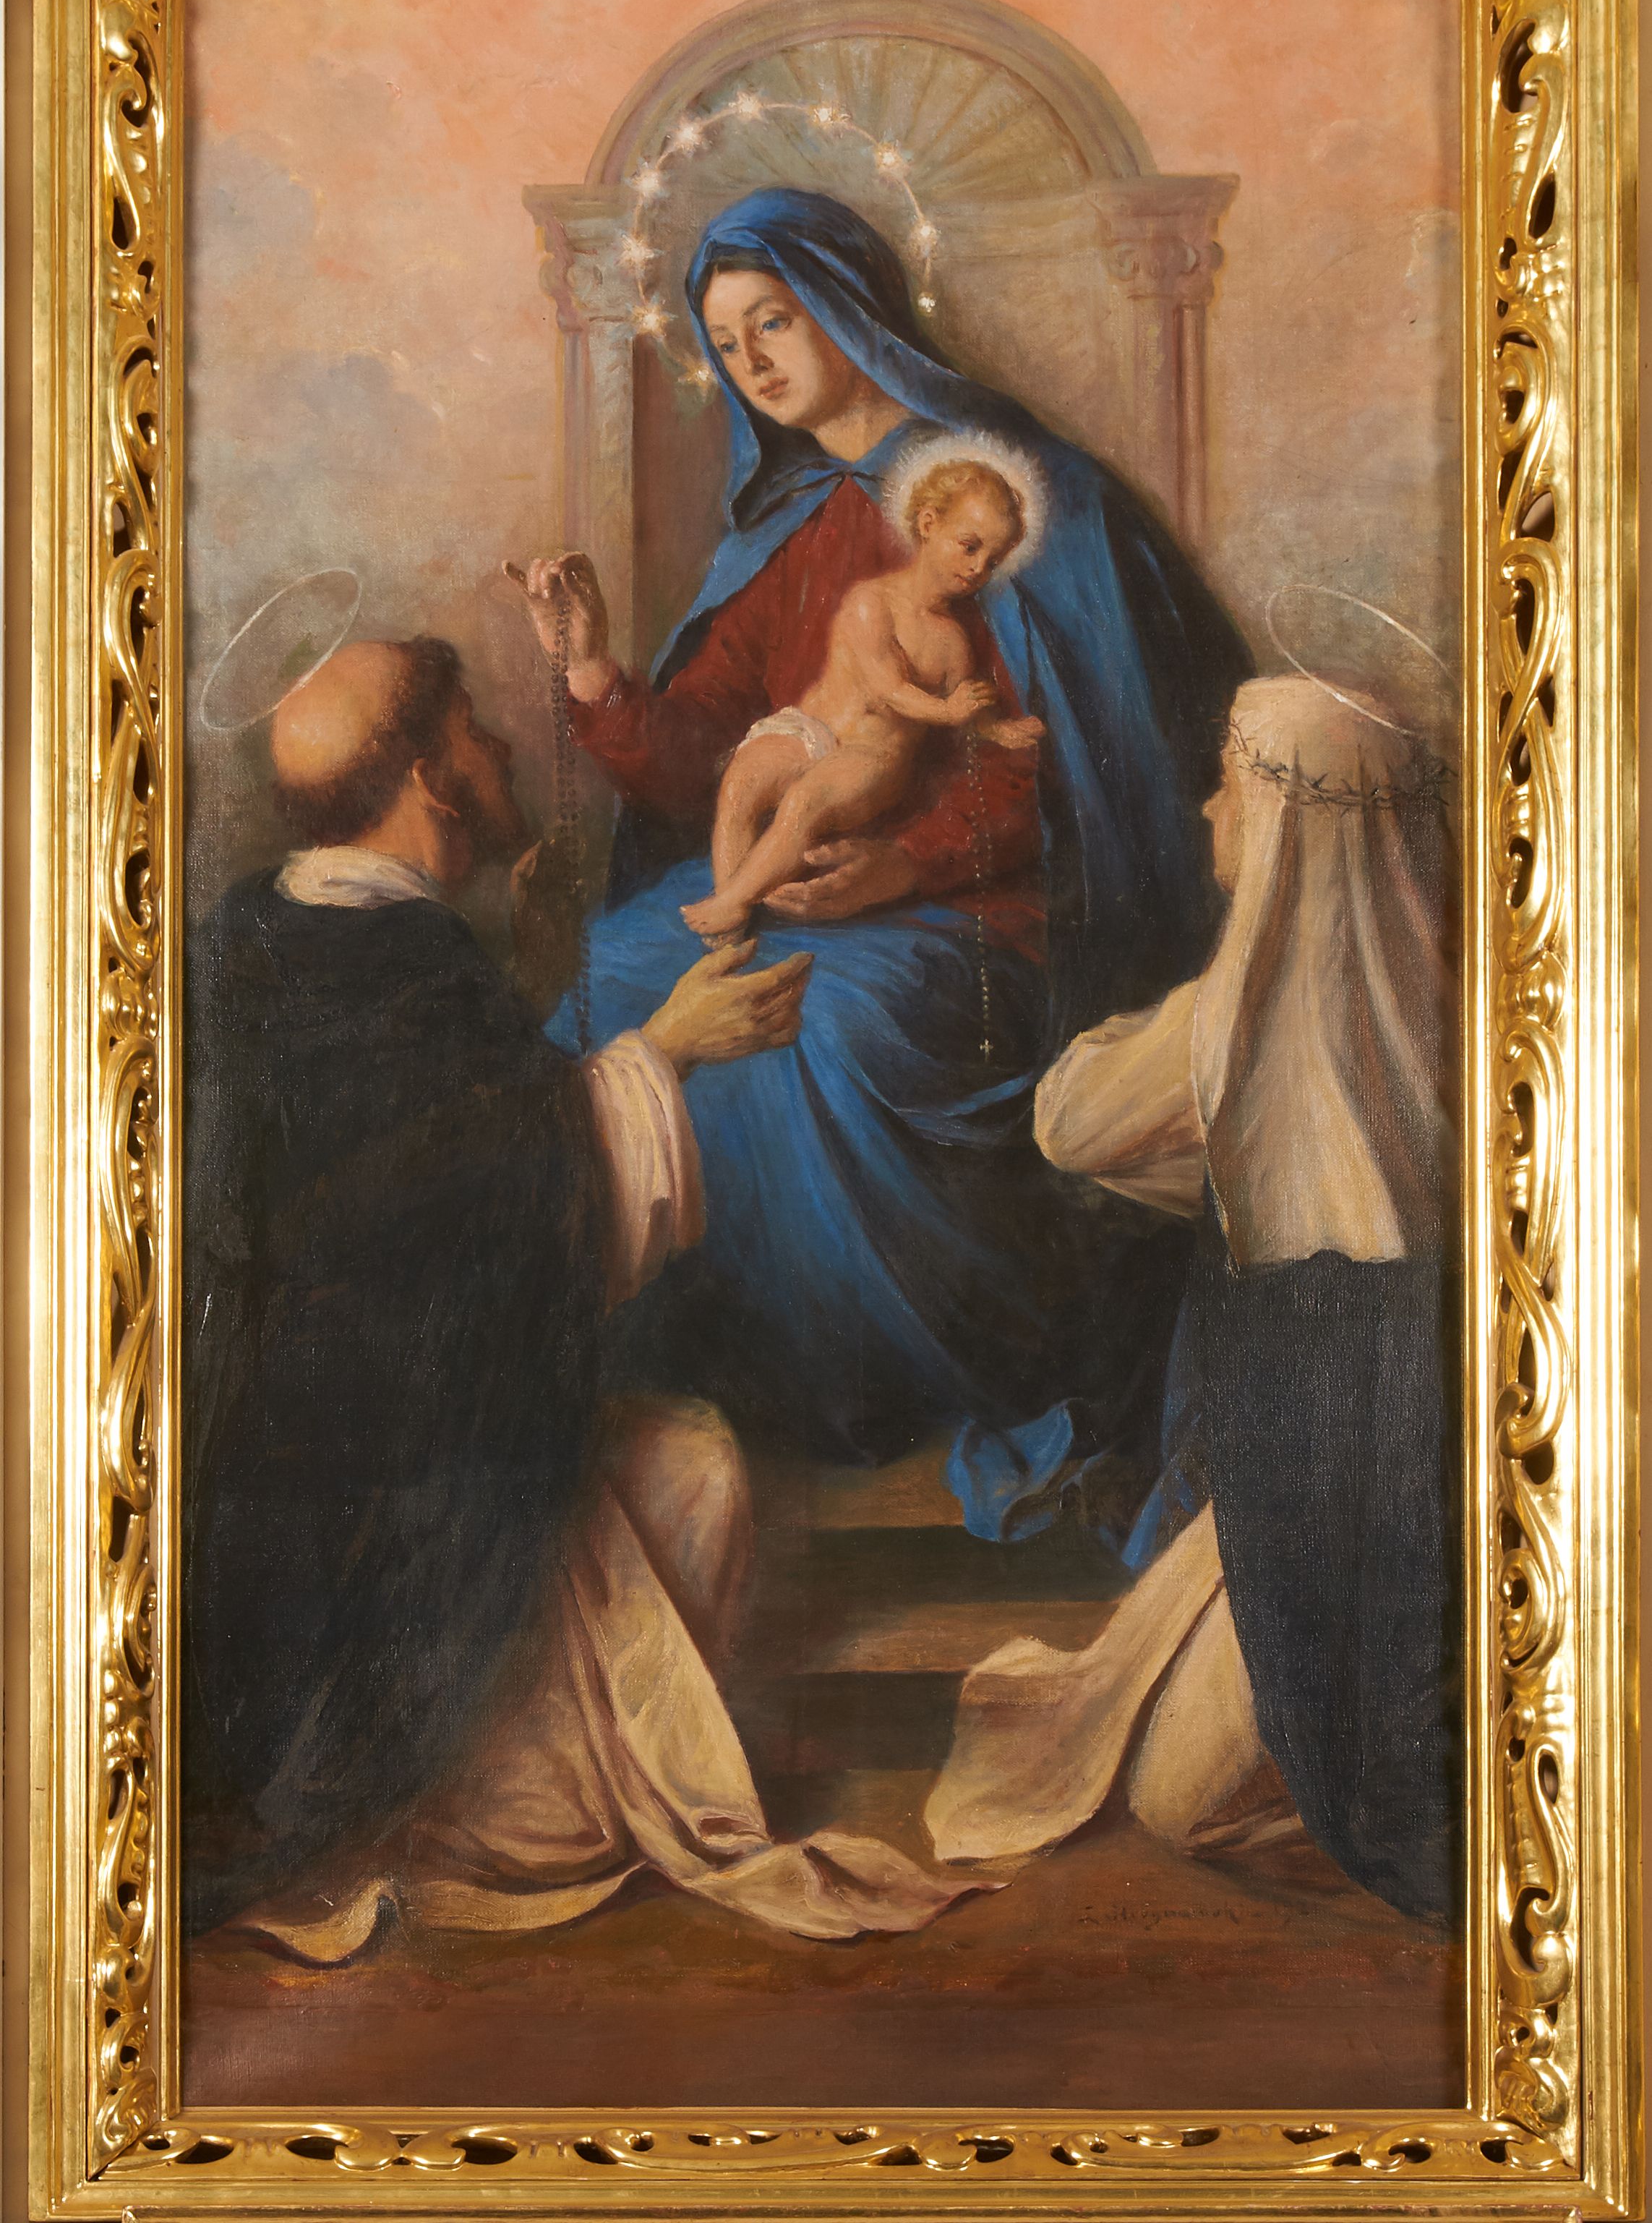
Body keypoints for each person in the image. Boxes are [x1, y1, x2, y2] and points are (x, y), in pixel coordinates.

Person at [186, 636, 973, 1952]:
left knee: (683, 1461)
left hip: (333, 1475)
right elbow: (475, 1227)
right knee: (694, 1471)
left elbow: (435, 1165)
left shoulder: (268, 930)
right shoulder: (395, 965)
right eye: (475, 729)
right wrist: (668, 1050)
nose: (501, 747)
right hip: (380, 1525)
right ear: (431, 779)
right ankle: (502, 1807)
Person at [523, 185, 1251, 1469]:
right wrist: (590, 671)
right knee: (614, 975)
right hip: (803, 881)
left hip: (982, 915)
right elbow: (699, 760)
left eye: (774, 321)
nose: (752, 364)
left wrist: (898, 865)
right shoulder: (794, 528)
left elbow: (1074, 771)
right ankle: (675, 1368)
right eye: (726, 344)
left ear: (853, 308)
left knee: (826, 1021)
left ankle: (882, 1385)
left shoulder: (1012, 511)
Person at [924, 674, 1460, 1922]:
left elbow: (1069, 1119)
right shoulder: (1455, 1003)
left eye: (1229, 782)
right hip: (1332, 1460)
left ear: (1283, 821)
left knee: (1186, 1801)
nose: (1209, 807)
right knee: (1174, 1746)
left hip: (1357, 1473)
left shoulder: (1228, 1019)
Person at [677, 443, 1045, 941]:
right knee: (743, 780)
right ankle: (729, 918)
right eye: (969, 546)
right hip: (810, 730)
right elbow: (890, 688)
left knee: (805, 802)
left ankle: (732, 902)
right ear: (928, 523)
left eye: (993, 560)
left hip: (874, 756)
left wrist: (996, 730)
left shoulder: (953, 641)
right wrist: (949, 710)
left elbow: (965, 710)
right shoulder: (871, 602)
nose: (978, 568)